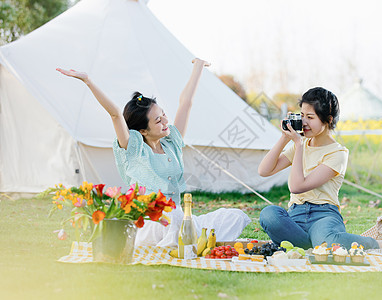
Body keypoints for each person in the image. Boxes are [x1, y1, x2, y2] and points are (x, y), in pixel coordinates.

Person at [57, 58, 250, 247]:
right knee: (174, 217)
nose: (166, 122)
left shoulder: (171, 143)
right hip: (149, 223)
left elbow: (186, 103)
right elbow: (115, 113)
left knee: (234, 216)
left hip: (178, 220)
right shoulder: (133, 150)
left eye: (164, 114)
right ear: (142, 131)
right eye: (158, 121)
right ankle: (184, 240)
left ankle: (186, 238)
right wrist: (87, 81)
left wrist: (198, 67)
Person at [258, 87, 380, 250]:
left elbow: (297, 187)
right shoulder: (300, 145)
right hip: (296, 215)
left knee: (327, 241)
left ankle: (373, 243)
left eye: (310, 117)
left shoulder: (337, 153)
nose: (304, 122)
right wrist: (284, 138)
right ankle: (315, 245)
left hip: (324, 216)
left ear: (328, 119)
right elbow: (264, 170)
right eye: (302, 116)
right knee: (269, 215)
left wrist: (298, 145)